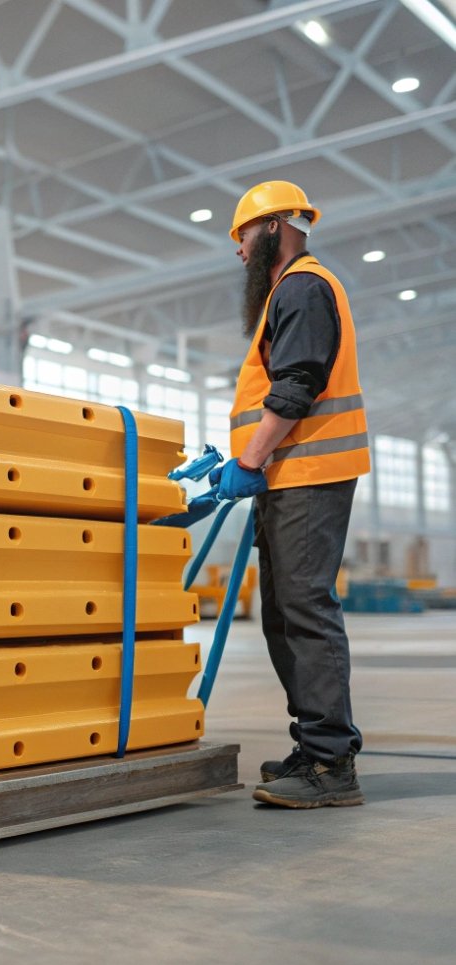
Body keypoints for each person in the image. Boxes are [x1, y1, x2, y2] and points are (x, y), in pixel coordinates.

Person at [215, 181, 370, 808]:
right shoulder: (291, 289)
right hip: (287, 477)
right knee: (281, 614)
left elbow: (299, 381)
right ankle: (314, 745)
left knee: (304, 611)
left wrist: (250, 458)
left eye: (244, 236)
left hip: (308, 474)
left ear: (276, 227)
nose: (239, 253)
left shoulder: (305, 286)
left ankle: (333, 767)